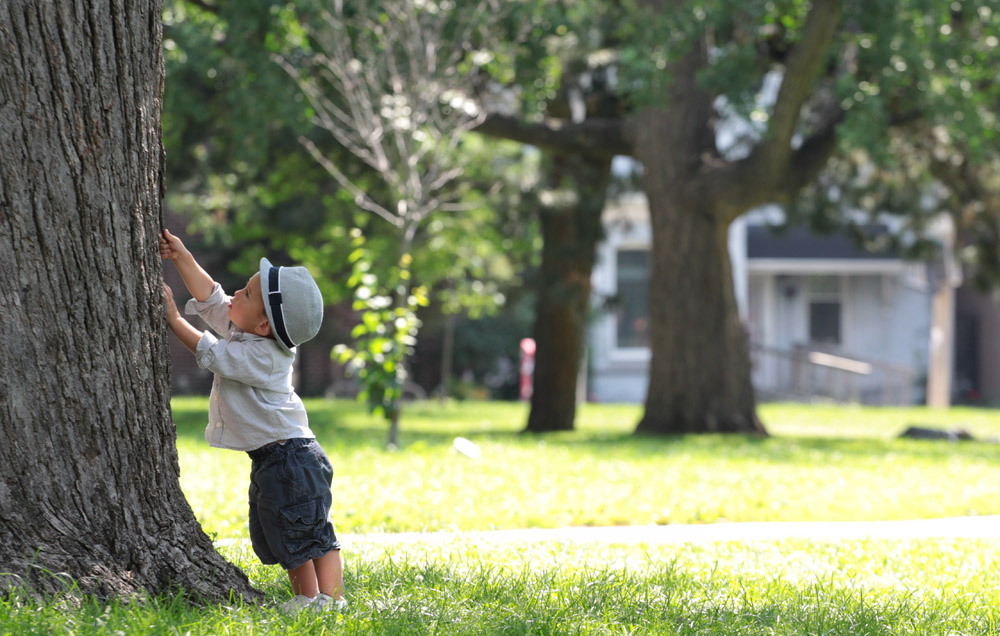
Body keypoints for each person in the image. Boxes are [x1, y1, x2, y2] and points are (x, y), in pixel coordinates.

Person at [160, 229, 346, 613]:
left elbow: (212, 353)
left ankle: (317, 600)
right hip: (281, 457)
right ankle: (320, 601)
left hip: (289, 458)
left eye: (244, 294)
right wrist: (182, 258)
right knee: (292, 531)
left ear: (264, 325)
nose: (234, 296)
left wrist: (174, 319)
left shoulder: (265, 357)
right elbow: (212, 298)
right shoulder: (246, 329)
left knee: (302, 534)